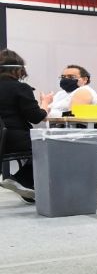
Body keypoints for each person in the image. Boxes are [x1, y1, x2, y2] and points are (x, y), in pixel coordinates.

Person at [0, 49, 53, 202]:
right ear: (18, 69)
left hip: (3, 139)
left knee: (38, 144)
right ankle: (20, 180)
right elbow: (36, 117)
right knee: (50, 144)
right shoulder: (20, 88)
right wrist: (45, 103)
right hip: (13, 138)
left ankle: (28, 187)